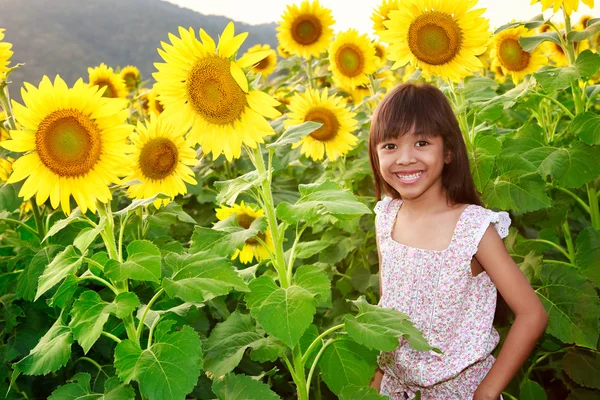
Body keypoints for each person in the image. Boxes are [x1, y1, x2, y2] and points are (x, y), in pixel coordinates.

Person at [367, 82, 548, 400]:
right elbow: (389, 308)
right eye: (390, 146)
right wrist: (378, 379)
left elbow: (532, 314)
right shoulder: (385, 217)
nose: (405, 158)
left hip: (461, 392)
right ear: (374, 153)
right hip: (395, 390)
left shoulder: (474, 228)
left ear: (448, 151)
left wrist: (488, 391)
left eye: (421, 142)